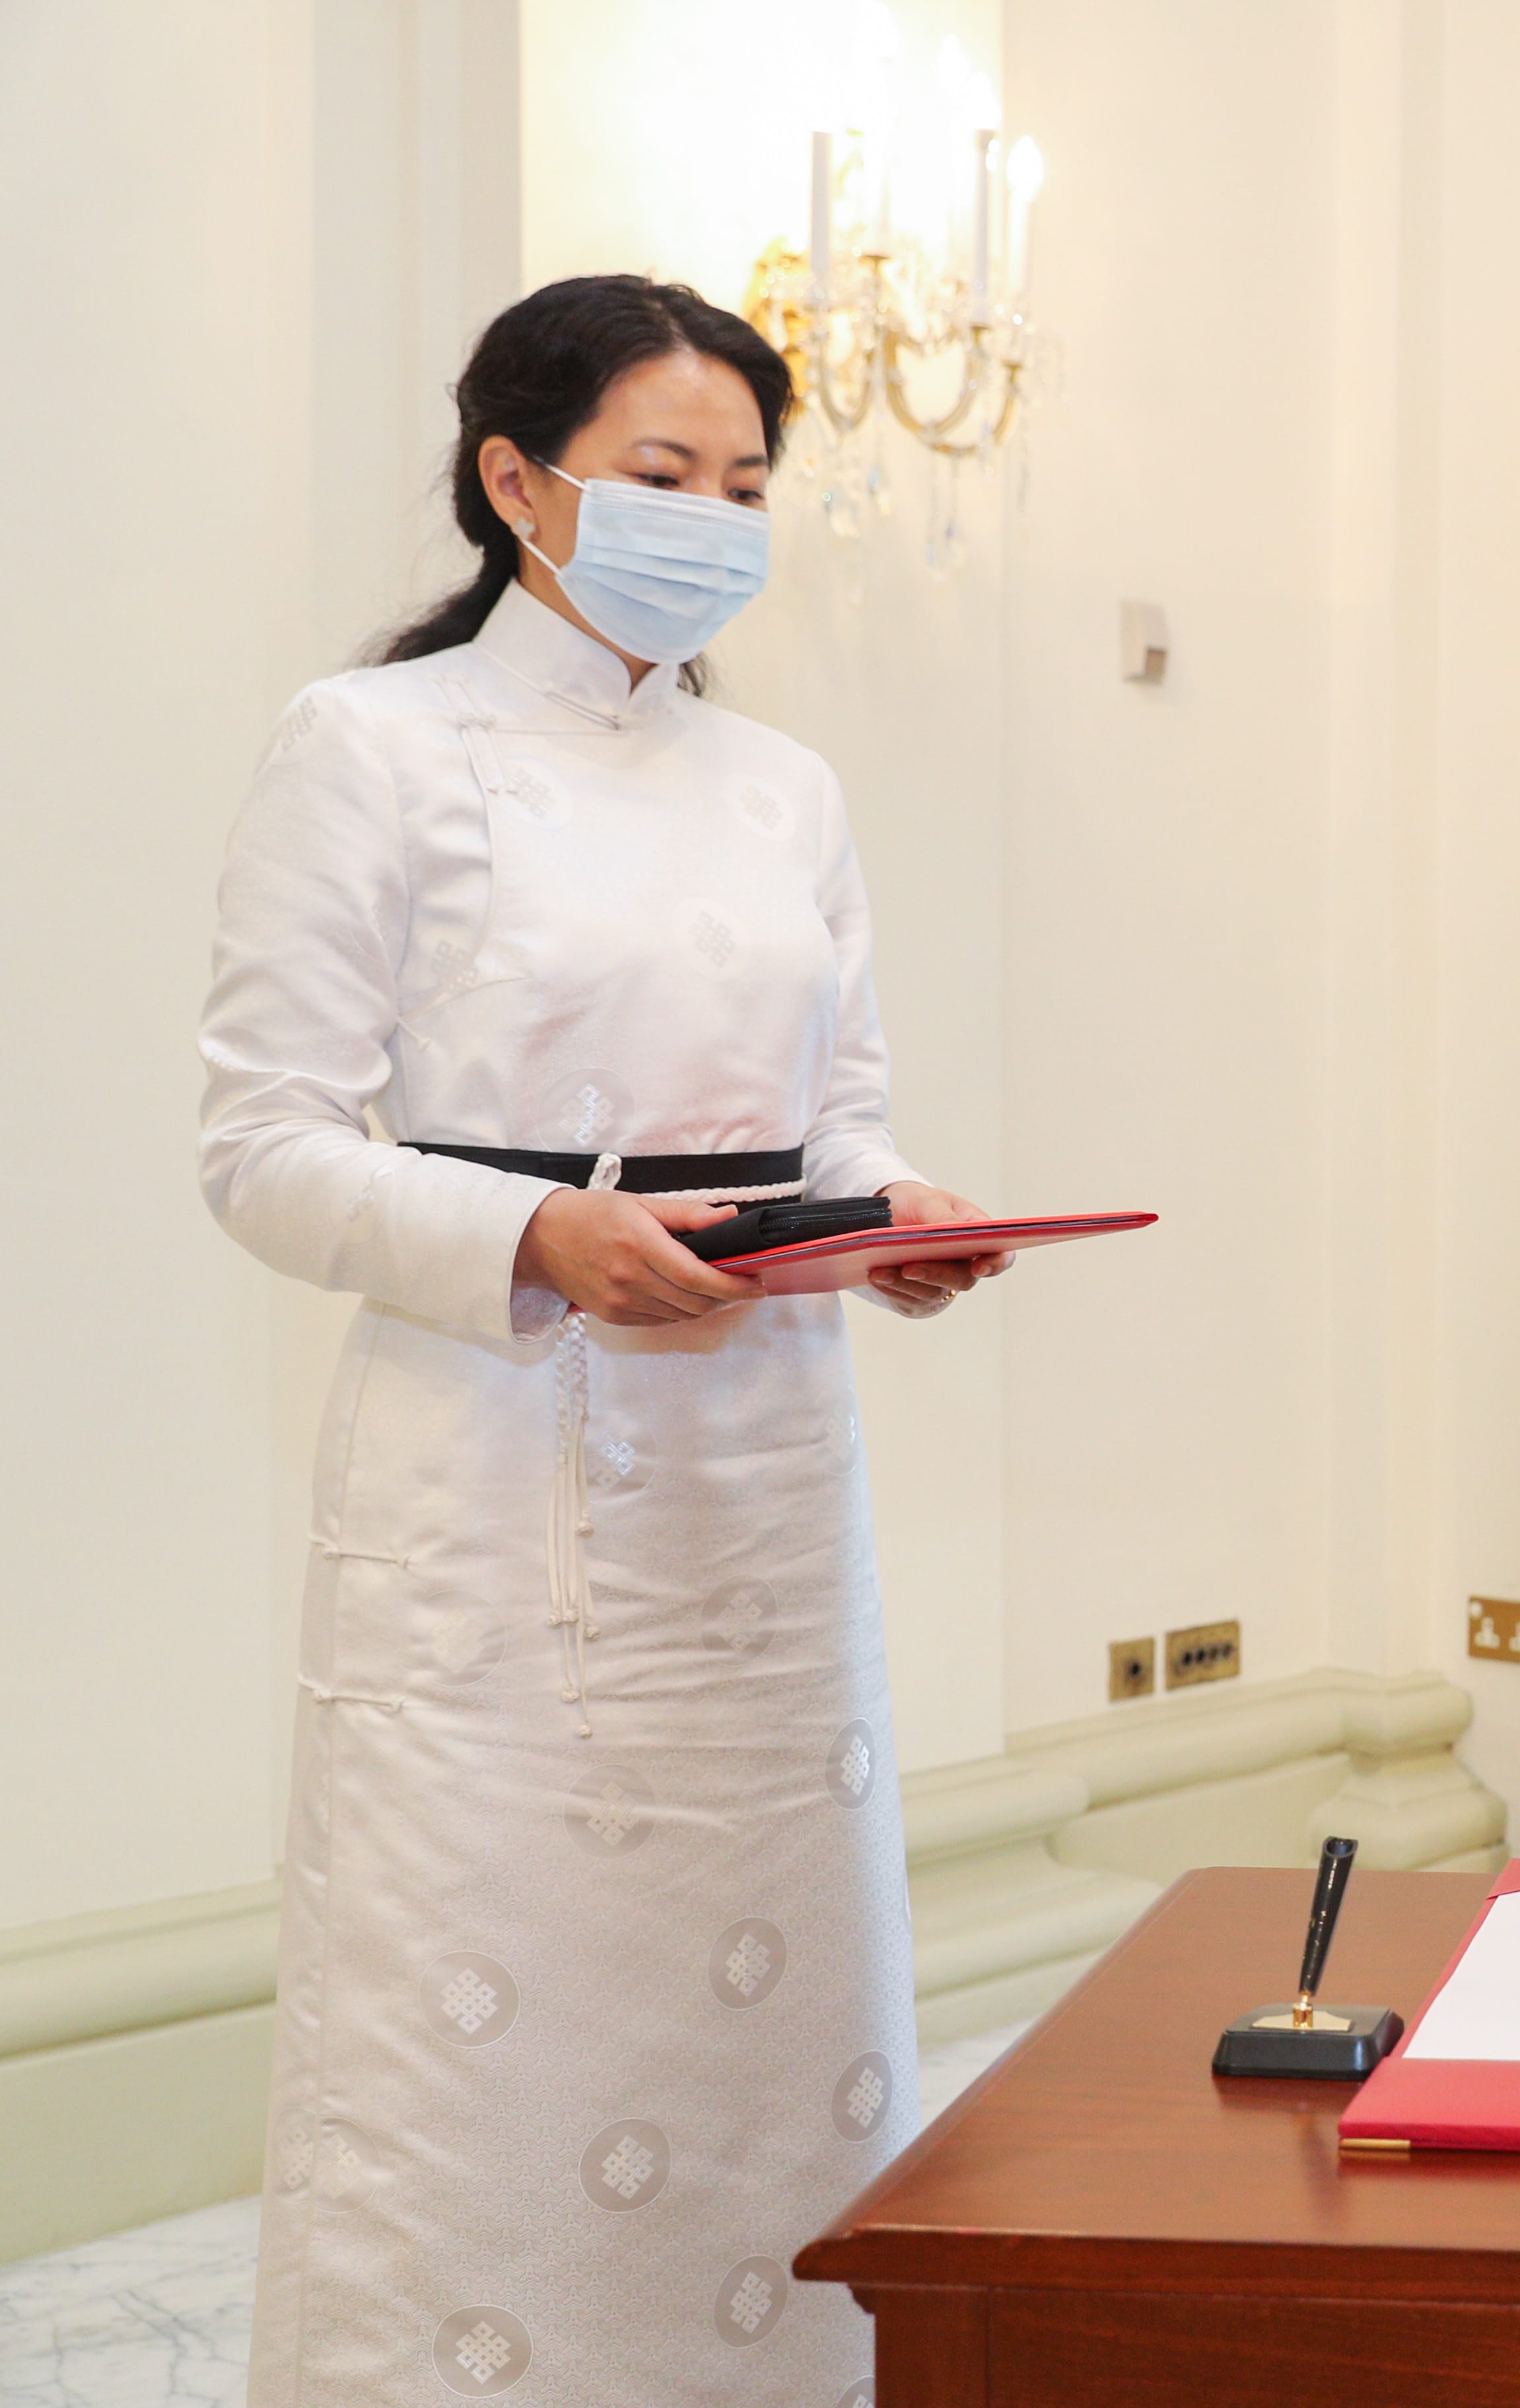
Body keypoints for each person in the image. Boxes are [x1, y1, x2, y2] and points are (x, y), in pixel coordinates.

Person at [201, 275, 1005, 2406]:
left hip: (762, 1455)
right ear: (514, 477)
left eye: (748, 482)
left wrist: (896, 1214)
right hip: (493, 1456)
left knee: (774, 1997)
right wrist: (542, 1232)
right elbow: (263, 1148)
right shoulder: (369, 744)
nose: (716, 515)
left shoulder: (782, 780)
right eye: (665, 473)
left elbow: (840, 1105)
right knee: (502, 2001)